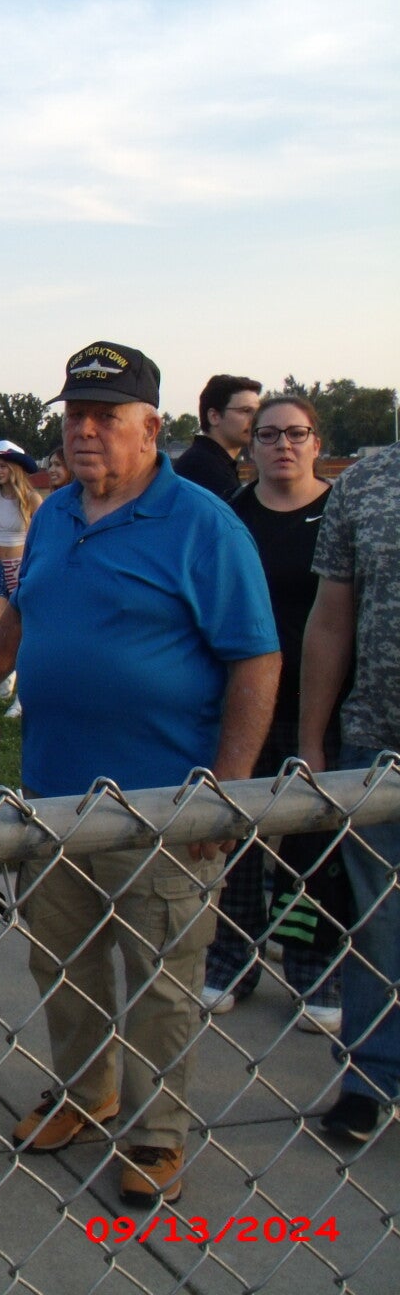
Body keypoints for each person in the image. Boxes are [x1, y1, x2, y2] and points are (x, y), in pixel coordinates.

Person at [0, 341, 277, 1210]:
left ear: (151, 427)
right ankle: (85, 1091)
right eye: (75, 415)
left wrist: (225, 791)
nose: (85, 430)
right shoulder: (57, 512)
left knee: (162, 979)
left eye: (106, 416)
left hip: (164, 805)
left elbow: (256, 658)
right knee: (62, 966)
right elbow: (25, 610)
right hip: (55, 796)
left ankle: (154, 1133)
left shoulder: (204, 525)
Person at [203, 396, 343, 1034]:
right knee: (237, 835)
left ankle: (314, 967)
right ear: (250, 446)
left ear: (317, 443)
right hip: (245, 703)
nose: (283, 445)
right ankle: (231, 959)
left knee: (315, 842)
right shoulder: (230, 517)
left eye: (296, 433)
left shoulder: (340, 512)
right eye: (268, 434)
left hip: (321, 703)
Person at [300, 439, 400, 1145]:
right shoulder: (365, 484)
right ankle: (372, 1077)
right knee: (380, 921)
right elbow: (331, 618)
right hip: (377, 742)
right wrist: (312, 738)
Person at [0, 440, 41, 719]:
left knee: (25, 635)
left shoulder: (32, 499)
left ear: (15, 468)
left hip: (21, 569)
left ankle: (21, 698)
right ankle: (6, 672)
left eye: (3, 466)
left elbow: (43, 537)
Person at [172, 374, 262, 499]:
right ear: (214, 417)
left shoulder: (212, 462)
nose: (256, 419)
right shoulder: (203, 469)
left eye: (258, 412)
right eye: (246, 411)